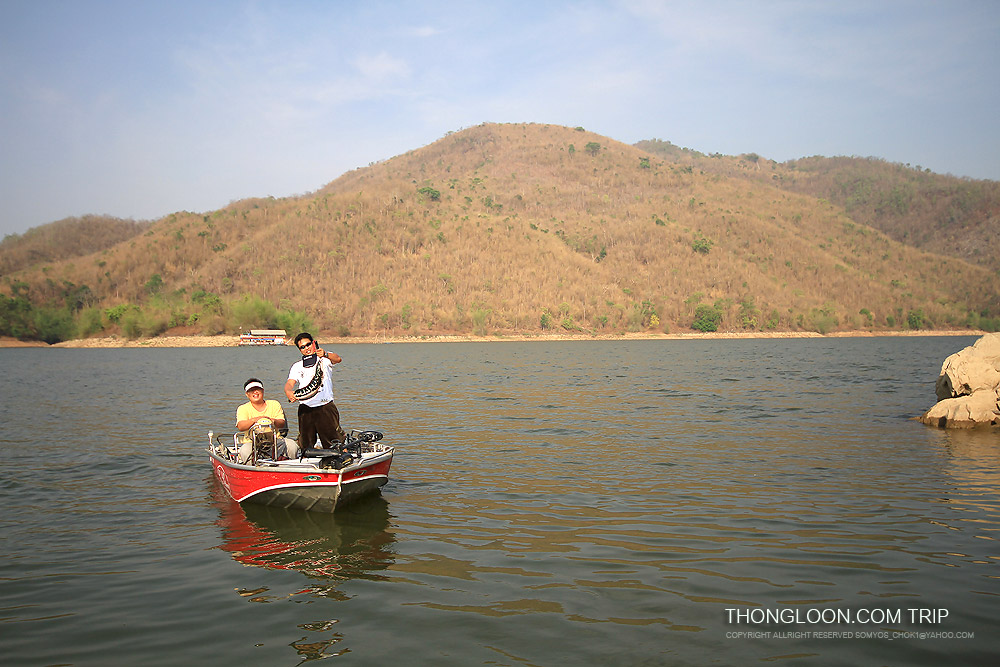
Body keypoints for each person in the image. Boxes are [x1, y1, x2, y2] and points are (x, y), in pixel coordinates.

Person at [284, 332, 347, 451]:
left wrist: (325, 354)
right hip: (305, 408)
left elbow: (338, 359)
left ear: (313, 343)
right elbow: (290, 382)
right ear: (300, 350)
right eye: (302, 347)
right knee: (306, 444)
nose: (306, 348)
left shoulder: (325, 359)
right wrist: (288, 391)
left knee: (333, 442)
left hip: (325, 406)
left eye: (308, 345)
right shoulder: (297, 366)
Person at [236, 378, 300, 462]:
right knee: (245, 451)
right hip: (252, 443)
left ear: (262, 391)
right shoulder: (243, 408)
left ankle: (290, 466)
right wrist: (254, 420)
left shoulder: (274, 404)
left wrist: (272, 420)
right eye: (251, 391)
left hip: (275, 441)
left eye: (257, 390)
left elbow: (281, 423)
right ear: (247, 394)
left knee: (292, 445)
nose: (255, 392)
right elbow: (241, 426)